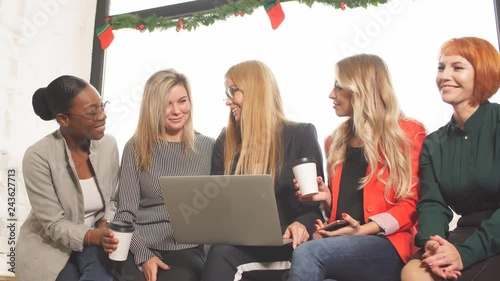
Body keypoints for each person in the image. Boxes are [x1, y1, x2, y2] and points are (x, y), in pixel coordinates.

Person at [286, 54, 427, 281]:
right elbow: (349, 207)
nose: (331, 94)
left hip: (389, 244)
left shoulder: (407, 133)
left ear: (361, 88)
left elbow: (411, 205)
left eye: (339, 86)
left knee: (308, 254)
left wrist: (364, 229)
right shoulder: (335, 140)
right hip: (344, 244)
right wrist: (327, 198)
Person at [200, 60, 325, 281]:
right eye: (226, 94)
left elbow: (314, 207)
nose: (228, 101)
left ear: (255, 92)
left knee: (221, 256)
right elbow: (217, 204)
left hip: (286, 245)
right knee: (218, 251)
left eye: (233, 91)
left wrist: (301, 224)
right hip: (240, 243)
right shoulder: (225, 142)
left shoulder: (300, 135)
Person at [400, 37, 500, 281]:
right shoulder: (434, 143)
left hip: (494, 234)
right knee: (413, 273)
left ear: (483, 74)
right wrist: (434, 244)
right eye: (441, 67)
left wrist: (463, 255)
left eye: (458, 67)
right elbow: (431, 203)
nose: (445, 75)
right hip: (464, 233)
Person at [112, 69, 215, 281]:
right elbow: (125, 214)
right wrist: (143, 255)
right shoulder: (135, 147)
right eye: (167, 104)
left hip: (186, 250)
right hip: (139, 244)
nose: (176, 110)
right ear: (153, 107)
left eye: (182, 101)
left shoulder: (208, 147)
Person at [16, 75, 119, 281]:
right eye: (92, 112)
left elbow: (113, 199)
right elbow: (54, 225)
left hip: (96, 240)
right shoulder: (38, 156)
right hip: (50, 247)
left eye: (102, 107)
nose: (102, 116)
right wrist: (93, 236)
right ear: (64, 119)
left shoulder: (108, 144)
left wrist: (105, 224)